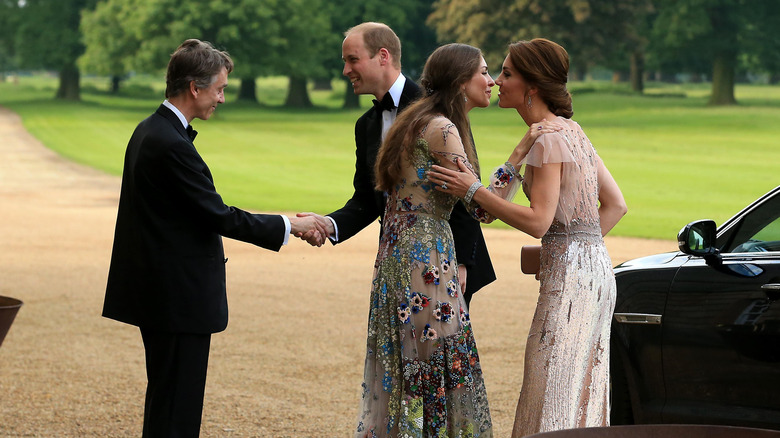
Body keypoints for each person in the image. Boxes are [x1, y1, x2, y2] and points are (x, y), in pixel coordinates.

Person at [102, 39, 325, 437]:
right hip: (176, 299)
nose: (222, 98)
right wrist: (291, 225)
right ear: (194, 87)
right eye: (219, 89)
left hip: (162, 295)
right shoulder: (169, 143)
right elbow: (218, 215)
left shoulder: (150, 130)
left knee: (167, 400)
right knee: (178, 410)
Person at [428, 38, 627, 437]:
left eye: (507, 73)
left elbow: (538, 221)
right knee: (580, 390)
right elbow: (616, 205)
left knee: (550, 386)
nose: (498, 81)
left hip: (572, 282)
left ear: (531, 87)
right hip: (597, 273)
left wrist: (471, 189)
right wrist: (514, 159)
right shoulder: (569, 131)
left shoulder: (550, 139)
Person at [353, 42, 505, 437]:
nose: (491, 81)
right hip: (426, 261)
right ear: (460, 81)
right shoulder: (443, 128)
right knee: (438, 362)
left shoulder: (415, 120)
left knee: (408, 366)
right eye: (484, 72)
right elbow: (484, 209)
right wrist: (517, 161)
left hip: (398, 256)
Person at [297, 22, 495, 306]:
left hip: (445, 259)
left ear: (383, 56)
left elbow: (463, 185)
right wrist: (327, 224)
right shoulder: (365, 125)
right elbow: (367, 199)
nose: (345, 71)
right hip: (395, 257)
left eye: (353, 60)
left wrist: (462, 261)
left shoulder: (435, 108)